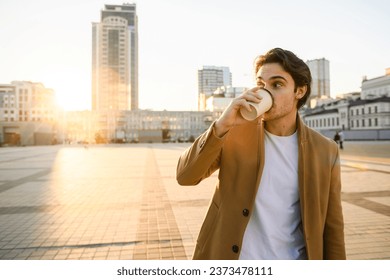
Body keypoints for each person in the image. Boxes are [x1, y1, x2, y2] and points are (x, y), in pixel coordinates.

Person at [176, 48, 346, 260]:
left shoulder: (325, 150)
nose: (265, 92)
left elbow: (333, 227)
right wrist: (221, 125)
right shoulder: (232, 132)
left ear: (299, 91)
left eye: (277, 84)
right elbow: (185, 176)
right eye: (260, 85)